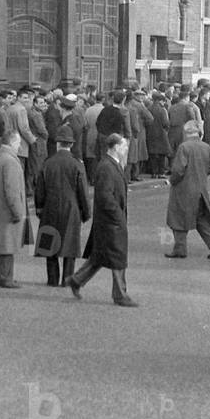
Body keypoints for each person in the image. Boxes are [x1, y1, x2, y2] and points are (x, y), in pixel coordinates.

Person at [68, 133, 137, 306]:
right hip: (110, 222)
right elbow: (105, 196)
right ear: (115, 147)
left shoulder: (112, 164)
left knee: (100, 256)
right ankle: (120, 294)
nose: (126, 149)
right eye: (123, 146)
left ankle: (76, 280)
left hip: (109, 221)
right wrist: (118, 215)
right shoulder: (107, 166)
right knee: (118, 257)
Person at [34, 124, 91, 287]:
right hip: (71, 208)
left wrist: (39, 208)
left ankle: (52, 279)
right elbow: (83, 191)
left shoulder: (48, 163)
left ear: (57, 143)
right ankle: (67, 279)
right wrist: (86, 212)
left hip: (50, 208)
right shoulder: (77, 164)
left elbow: (40, 189)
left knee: (49, 246)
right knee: (70, 247)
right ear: (71, 144)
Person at [165, 121, 210, 259]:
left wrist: (171, 180)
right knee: (200, 219)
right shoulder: (206, 147)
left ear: (186, 132)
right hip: (200, 189)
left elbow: (179, 170)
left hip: (184, 189)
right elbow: (209, 168)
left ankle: (180, 249)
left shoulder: (184, 147)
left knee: (178, 218)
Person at [0, 129, 27, 288]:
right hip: (7, 210)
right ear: (11, 142)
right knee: (8, 244)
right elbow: (11, 190)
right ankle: (6, 278)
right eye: (18, 143)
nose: (19, 146)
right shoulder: (10, 161)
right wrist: (17, 211)